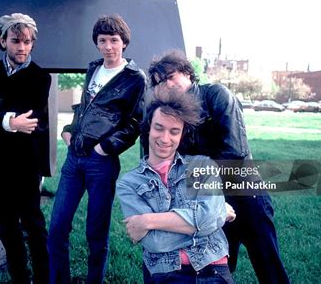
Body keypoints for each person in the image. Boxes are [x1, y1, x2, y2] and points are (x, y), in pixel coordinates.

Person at [146, 49, 290, 284]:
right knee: (219, 270)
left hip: (246, 195)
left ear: (187, 74)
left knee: (268, 266)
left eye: (170, 76)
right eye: (159, 83)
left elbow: (234, 152)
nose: (166, 84)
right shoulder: (169, 116)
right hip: (210, 203)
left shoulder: (217, 95)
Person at [48, 14, 146, 284]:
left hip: (101, 163)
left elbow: (135, 122)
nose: (108, 46)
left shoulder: (134, 78)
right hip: (73, 160)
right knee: (57, 228)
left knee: (96, 232)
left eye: (114, 40)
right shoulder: (93, 68)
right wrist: (69, 130)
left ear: (124, 42)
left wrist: (106, 147)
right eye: (102, 41)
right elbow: (84, 109)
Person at [117, 90, 235, 283]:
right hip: (167, 274)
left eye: (174, 131)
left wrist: (147, 221)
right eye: (159, 128)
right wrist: (215, 217)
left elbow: (153, 232)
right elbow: (155, 242)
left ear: (182, 135)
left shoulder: (202, 166)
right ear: (148, 128)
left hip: (213, 269)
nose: (165, 138)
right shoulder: (129, 183)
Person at [0, 13, 51, 284]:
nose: (22, 47)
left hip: (26, 163)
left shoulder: (40, 77)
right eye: (16, 41)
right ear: (2, 40)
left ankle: (43, 278)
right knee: (7, 226)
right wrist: (10, 120)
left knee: (33, 225)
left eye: (27, 42)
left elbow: (32, 117)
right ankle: (20, 277)